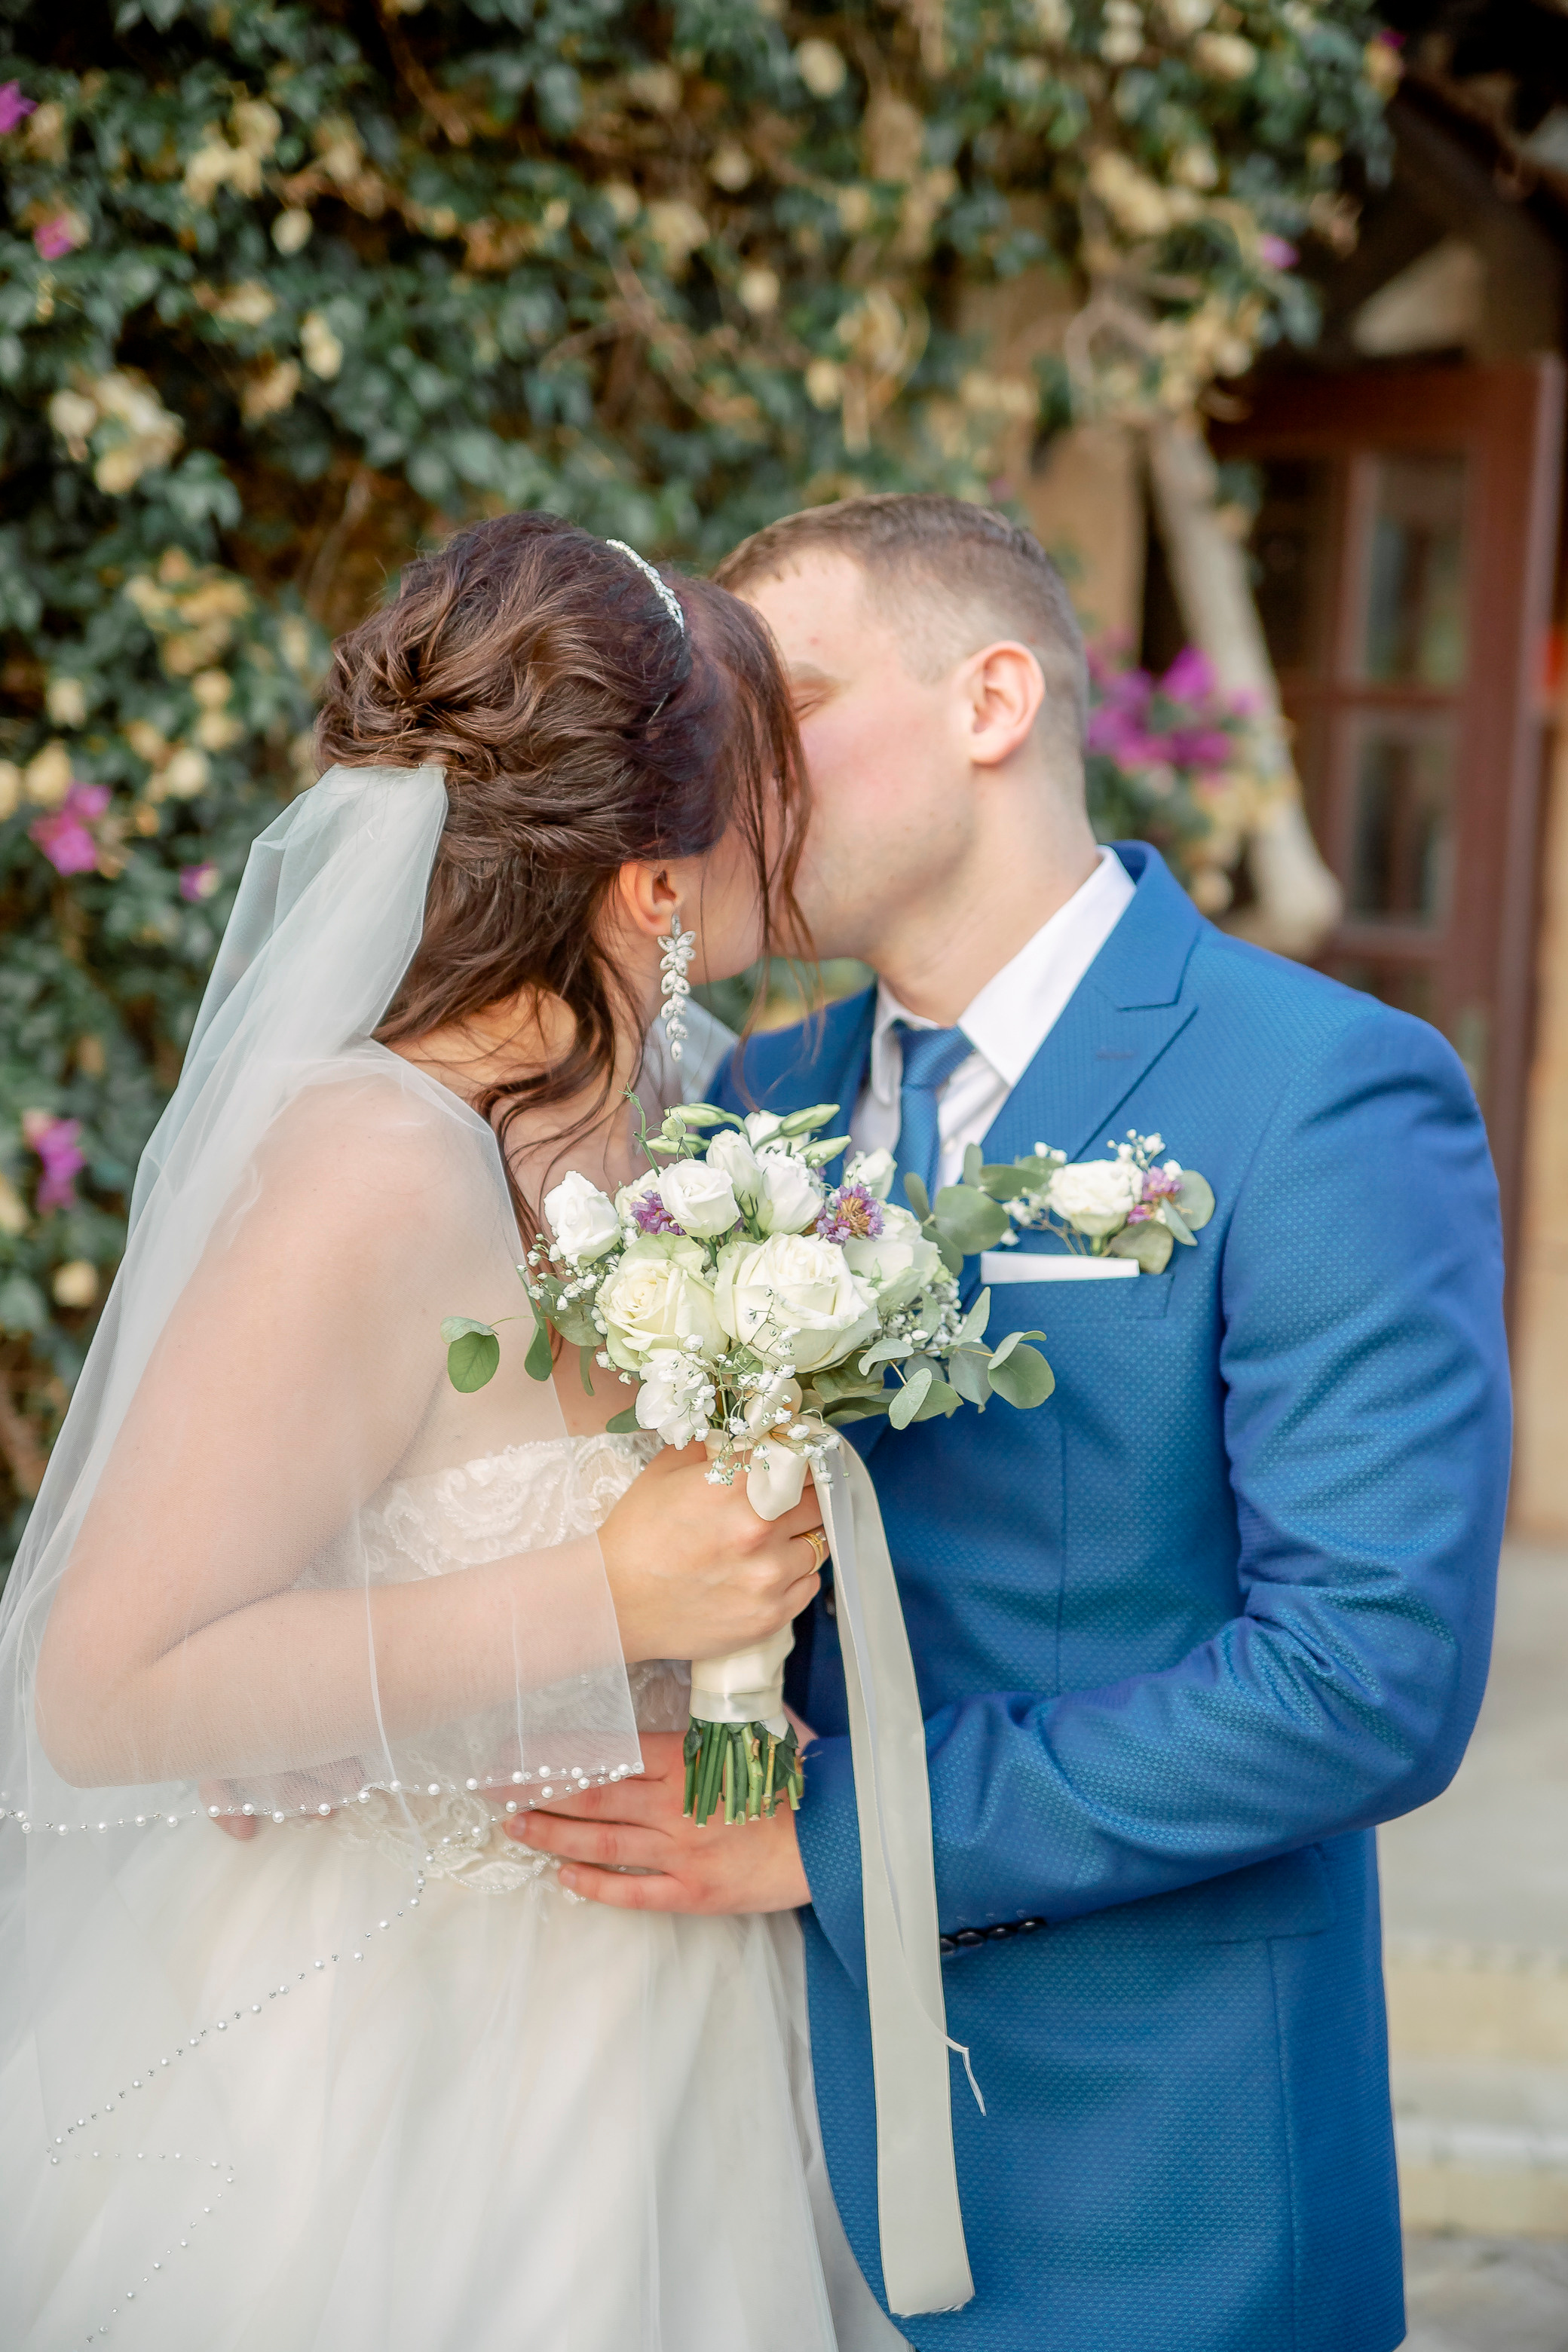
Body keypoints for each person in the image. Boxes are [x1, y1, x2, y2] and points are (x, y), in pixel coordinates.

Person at [516, 494, 1511, 2352]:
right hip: (745, 2139)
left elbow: (1364, 1672)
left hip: (1151, 2176)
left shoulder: (1321, 1092)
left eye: (777, 700)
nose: (716, 772)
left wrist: (835, 1836)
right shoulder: (758, 1099)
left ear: (989, 702)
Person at [0, 513, 899, 2352]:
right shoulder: (369, 1160)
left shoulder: (703, 1129)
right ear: (654, 879)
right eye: (759, 792)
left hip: (683, 2015)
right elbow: (103, 1687)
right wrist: (605, 1592)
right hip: (396, 2047)